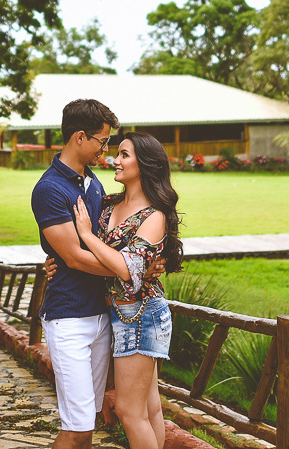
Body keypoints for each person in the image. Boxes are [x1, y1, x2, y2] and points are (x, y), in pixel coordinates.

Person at [70, 132, 184, 449]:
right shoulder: (109, 205)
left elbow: (126, 268)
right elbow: (77, 251)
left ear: (144, 164)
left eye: (124, 155)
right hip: (124, 313)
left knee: (128, 411)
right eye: (116, 154)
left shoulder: (154, 216)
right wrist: (54, 261)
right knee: (148, 408)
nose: (115, 160)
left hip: (142, 315)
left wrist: (88, 236)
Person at [31, 99, 121, 449]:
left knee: (88, 423)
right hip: (69, 317)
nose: (105, 149)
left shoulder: (92, 182)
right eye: (102, 141)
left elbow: (102, 240)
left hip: (100, 315)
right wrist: (129, 272)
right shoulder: (50, 188)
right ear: (80, 137)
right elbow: (75, 257)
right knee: (77, 427)